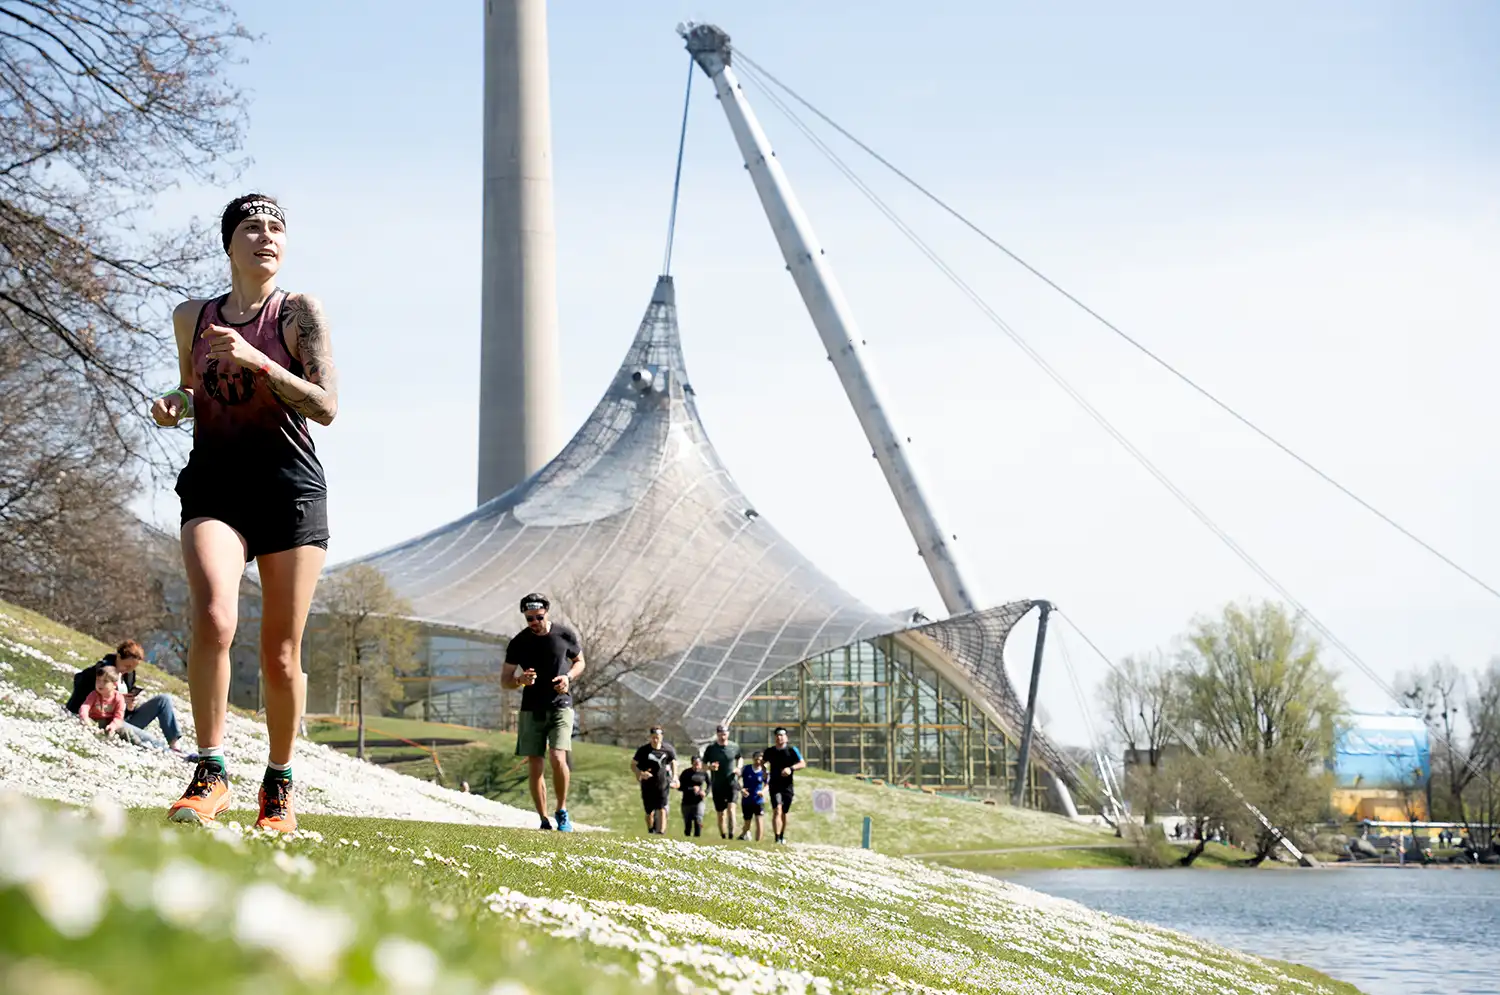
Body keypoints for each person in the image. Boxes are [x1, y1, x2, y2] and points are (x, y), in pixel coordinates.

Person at [151, 194, 339, 833]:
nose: (267, 237)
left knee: (281, 652)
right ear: (229, 243)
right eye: (253, 228)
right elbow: (191, 383)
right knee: (213, 617)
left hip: (289, 489)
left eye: (277, 228)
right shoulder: (192, 317)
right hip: (216, 485)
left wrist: (260, 361)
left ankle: (279, 784)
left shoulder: (299, 314)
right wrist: (176, 402)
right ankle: (210, 770)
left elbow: (327, 405)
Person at [500, 593, 585, 832]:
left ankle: (562, 810)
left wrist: (568, 678)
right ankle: (544, 819)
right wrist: (520, 680)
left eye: (538, 617)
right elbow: (505, 681)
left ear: (547, 612)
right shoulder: (519, 643)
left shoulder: (564, 635)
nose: (535, 622)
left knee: (558, 758)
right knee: (535, 765)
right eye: (530, 619)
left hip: (561, 705)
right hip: (531, 709)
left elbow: (580, 662)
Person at [64, 641, 188, 755]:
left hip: (123, 717)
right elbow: (84, 687)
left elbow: (123, 709)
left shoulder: (129, 674)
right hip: (108, 720)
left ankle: (174, 743)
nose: (129, 670)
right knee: (150, 739)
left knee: (164, 699)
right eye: (127, 666)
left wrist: (129, 706)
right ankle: (169, 752)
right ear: (118, 657)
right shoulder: (102, 671)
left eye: (133, 668)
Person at [762, 726, 806, 844]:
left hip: (787, 785)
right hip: (774, 784)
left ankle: (781, 835)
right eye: (777, 735)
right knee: (777, 809)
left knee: (784, 812)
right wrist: (764, 771)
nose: (779, 738)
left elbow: (802, 764)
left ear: (786, 737)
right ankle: (776, 838)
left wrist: (790, 769)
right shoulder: (770, 751)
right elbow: (762, 763)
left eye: (782, 735)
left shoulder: (792, 750)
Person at [631, 726, 675, 834]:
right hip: (647, 785)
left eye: (658, 737)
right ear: (650, 737)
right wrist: (640, 773)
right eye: (653, 737)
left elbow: (673, 762)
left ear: (661, 737)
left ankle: (661, 832)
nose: (655, 740)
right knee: (649, 812)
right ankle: (651, 830)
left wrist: (674, 776)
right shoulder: (643, 750)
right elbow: (633, 765)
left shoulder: (668, 749)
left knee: (662, 808)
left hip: (662, 784)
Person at [701, 723, 742, 839]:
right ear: (717, 734)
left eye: (724, 734)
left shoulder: (734, 746)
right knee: (721, 813)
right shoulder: (711, 749)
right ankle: (723, 836)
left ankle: (731, 835)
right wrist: (710, 767)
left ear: (728, 734)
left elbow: (740, 758)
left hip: (731, 782)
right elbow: (703, 766)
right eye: (720, 734)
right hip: (717, 784)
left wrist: (738, 768)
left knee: (731, 809)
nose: (722, 736)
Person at [75, 665, 132, 742]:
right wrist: (85, 718)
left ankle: (136, 745)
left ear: (115, 684)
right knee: (83, 724)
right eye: (98, 680)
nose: (100, 684)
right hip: (94, 720)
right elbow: (85, 707)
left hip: (109, 724)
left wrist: (113, 726)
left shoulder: (119, 698)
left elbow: (118, 717)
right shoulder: (94, 694)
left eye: (105, 681)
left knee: (125, 731)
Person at [738, 751, 768, 841]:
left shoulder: (764, 771)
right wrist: (741, 789)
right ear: (753, 759)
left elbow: (767, 784)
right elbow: (737, 780)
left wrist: (763, 792)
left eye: (760, 759)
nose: (758, 761)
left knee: (759, 820)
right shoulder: (746, 768)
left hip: (758, 800)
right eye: (756, 759)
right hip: (747, 799)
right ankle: (743, 835)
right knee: (747, 822)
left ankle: (758, 841)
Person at [678, 755, 709, 837]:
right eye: (695, 764)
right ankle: (687, 839)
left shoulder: (703, 773)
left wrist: (705, 792)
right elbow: (680, 787)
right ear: (691, 763)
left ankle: (697, 838)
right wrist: (691, 788)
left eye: (698, 764)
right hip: (686, 801)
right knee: (688, 824)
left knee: (698, 819)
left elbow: (710, 784)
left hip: (698, 801)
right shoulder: (686, 773)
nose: (697, 766)